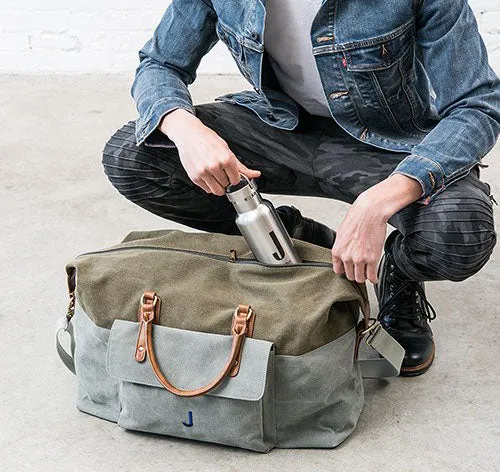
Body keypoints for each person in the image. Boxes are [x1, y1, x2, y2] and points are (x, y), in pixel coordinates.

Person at [102, 0, 500, 376]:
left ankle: (397, 270)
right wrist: (186, 129)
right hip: (280, 124)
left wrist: (377, 203)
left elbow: (478, 106)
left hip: (388, 141)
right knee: (134, 157)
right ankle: (294, 236)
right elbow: (159, 63)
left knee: (460, 233)